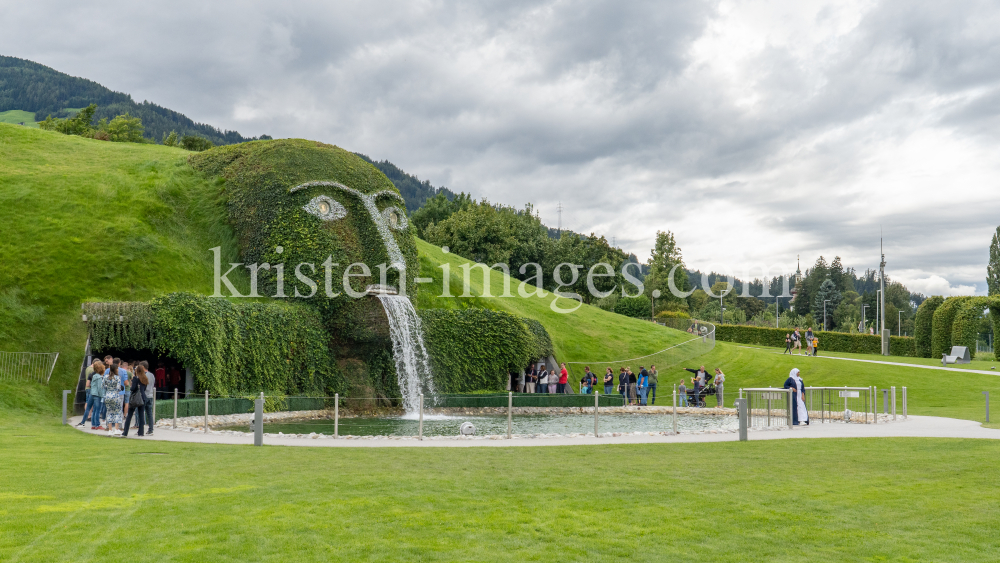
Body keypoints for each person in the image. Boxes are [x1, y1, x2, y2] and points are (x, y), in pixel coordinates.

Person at [122, 365, 148, 437]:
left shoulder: (136, 379)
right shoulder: (145, 378)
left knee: (129, 415)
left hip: (135, 398)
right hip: (142, 397)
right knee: (141, 415)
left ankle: (125, 432)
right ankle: (141, 432)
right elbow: (144, 388)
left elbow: (133, 388)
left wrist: (131, 385)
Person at [103, 361, 125, 435]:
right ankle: (116, 429)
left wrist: (108, 387)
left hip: (108, 395)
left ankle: (110, 430)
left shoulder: (106, 377)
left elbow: (102, 385)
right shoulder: (117, 377)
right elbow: (118, 388)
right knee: (117, 412)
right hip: (115, 395)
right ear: (115, 369)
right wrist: (120, 388)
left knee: (109, 412)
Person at [78, 360, 99, 427]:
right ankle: (94, 423)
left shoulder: (88, 370)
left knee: (87, 404)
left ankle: (84, 420)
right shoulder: (97, 374)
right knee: (96, 408)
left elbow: (87, 383)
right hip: (94, 391)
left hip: (88, 389)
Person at [89, 361, 106, 429]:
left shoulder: (94, 376)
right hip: (98, 395)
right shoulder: (99, 377)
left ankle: (93, 425)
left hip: (92, 394)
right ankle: (97, 425)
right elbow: (100, 388)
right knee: (98, 410)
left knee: (94, 410)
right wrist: (102, 395)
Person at [141, 360, 155, 435]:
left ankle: (141, 429)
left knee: (141, 413)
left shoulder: (144, 375)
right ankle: (151, 429)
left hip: (145, 395)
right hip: (151, 395)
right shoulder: (152, 375)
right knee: (149, 413)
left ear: (143, 367)